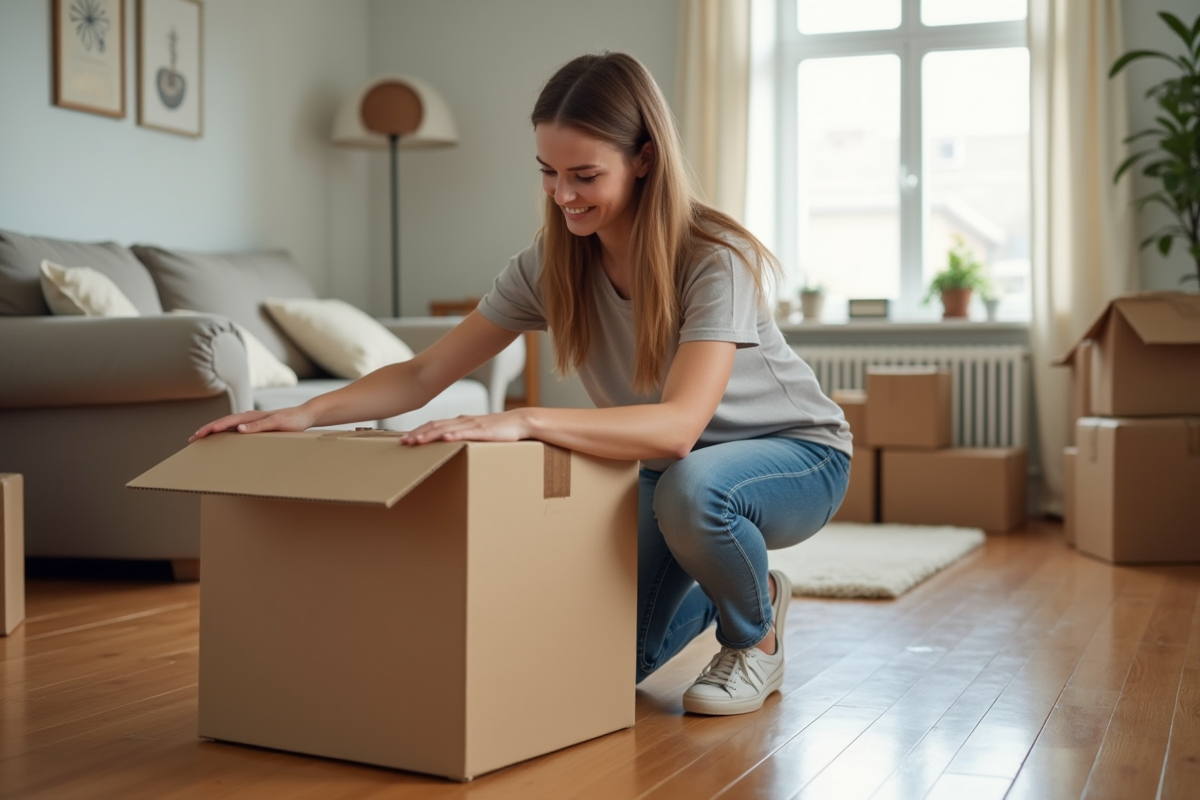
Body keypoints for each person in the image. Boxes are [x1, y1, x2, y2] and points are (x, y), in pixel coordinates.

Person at [191, 52, 851, 717]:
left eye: (584, 175)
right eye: (549, 173)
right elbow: (425, 372)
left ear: (644, 158)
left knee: (692, 489)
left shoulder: (711, 260)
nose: (564, 196)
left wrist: (527, 419)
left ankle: (754, 638)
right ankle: (745, 585)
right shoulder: (550, 265)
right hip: (669, 471)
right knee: (603, 663)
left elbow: (680, 428)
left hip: (794, 456)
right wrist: (307, 414)